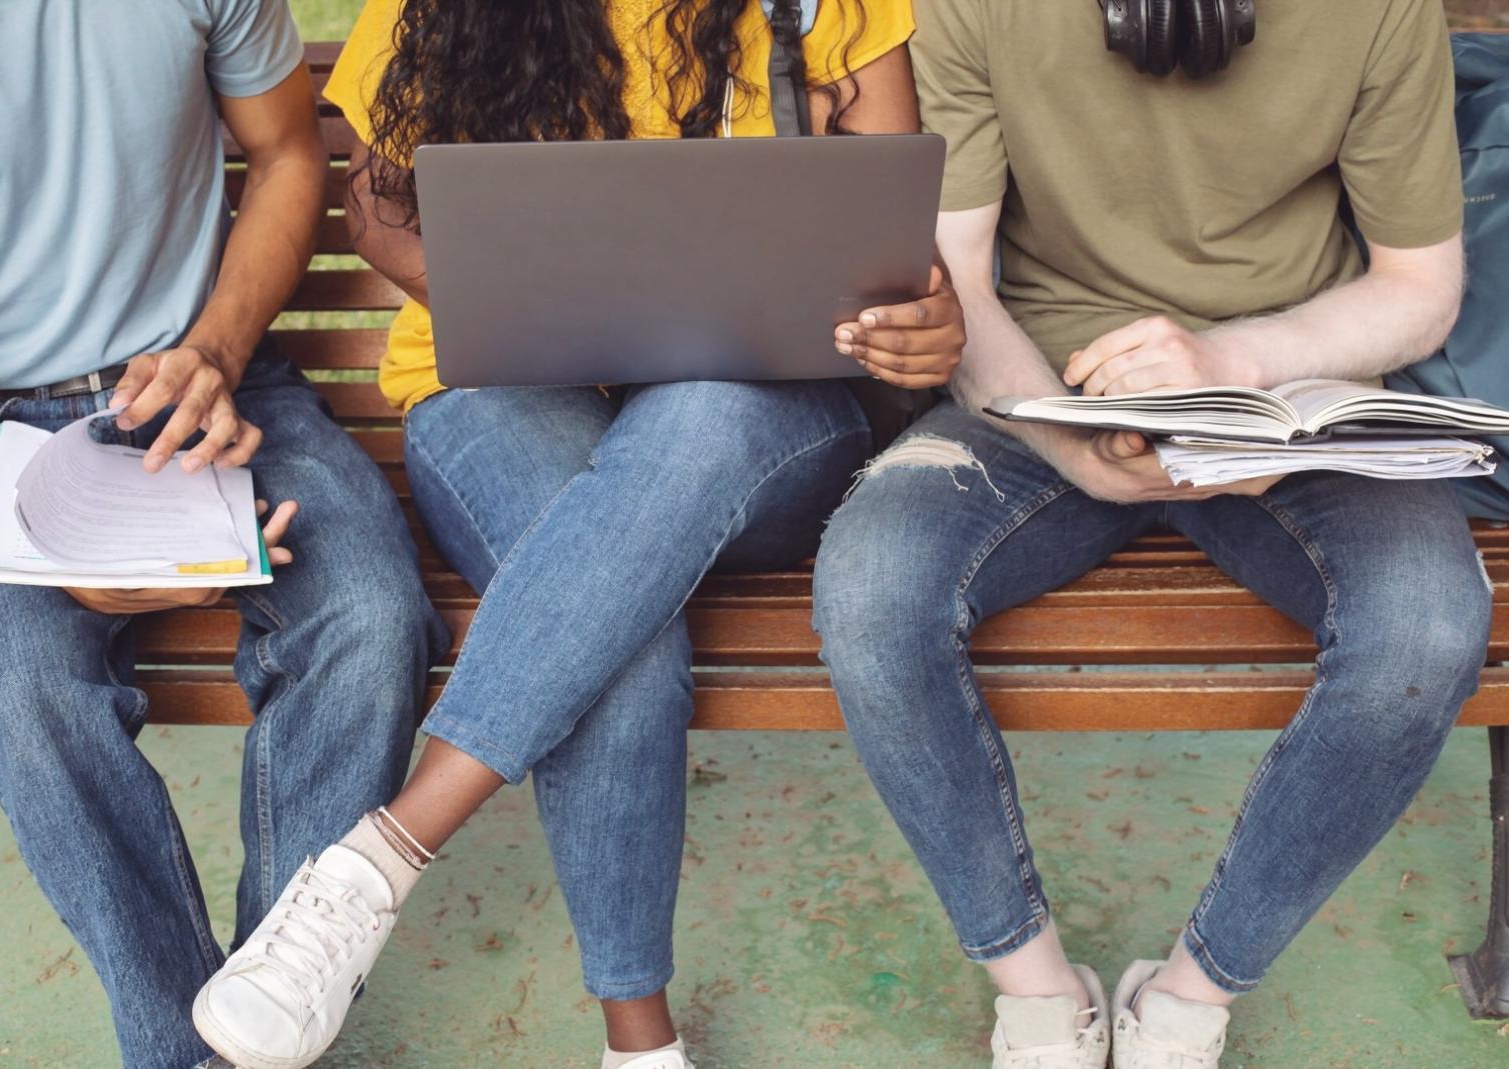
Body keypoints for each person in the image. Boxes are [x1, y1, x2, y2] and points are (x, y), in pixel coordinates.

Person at [192, 3, 964, 1068]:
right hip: (501, 387)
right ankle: (639, 1045)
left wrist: (925, 323)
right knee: (616, 625)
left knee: (690, 420)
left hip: (746, 420)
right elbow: (381, 218)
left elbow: (893, 253)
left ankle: (378, 858)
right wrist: (555, 309)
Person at [808, 1, 1492, 1067]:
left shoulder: (1378, 10)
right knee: (867, 591)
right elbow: (956, 279)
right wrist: (1066, 442)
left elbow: (1417, 286)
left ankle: (1188, 996)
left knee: (1426, 626)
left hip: (1280, 395)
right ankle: (1034, 988)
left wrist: (1232, 368)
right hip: (1038, 390)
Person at [0, 4, 440, 1067]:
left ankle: (263, 1016)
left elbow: (288, 151)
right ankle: (194, 1051)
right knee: (30, 697)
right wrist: (51, 541)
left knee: (371, 621)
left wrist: (214, 351)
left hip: (205, 385)